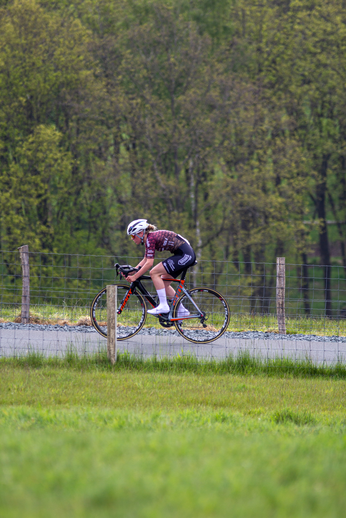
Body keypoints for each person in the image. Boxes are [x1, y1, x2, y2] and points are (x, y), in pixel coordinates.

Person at [125, 219, 196, 315]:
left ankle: (163, 305)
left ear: (141, 233)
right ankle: (182, 310)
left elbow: (149, 264)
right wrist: (133, 271)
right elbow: (145, 259)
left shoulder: (150, 239)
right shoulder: (149, 239)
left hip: (185, 255)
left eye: (133, 236)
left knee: (154, 272)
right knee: (163, 283)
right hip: (183, 254)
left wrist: (135, 277)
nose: (132, 239)